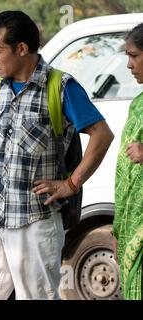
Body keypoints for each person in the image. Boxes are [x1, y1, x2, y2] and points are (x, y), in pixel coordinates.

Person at [0, 11, 114, 300]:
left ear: (21, 48)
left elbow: (102, 135)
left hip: (36, 220)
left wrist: (70, 184)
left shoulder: (60, 87)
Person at [112, 22, 143, 301]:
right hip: (133, 219)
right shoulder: (138, 104)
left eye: (134, 56)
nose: (129, 65)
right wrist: (119, 228)